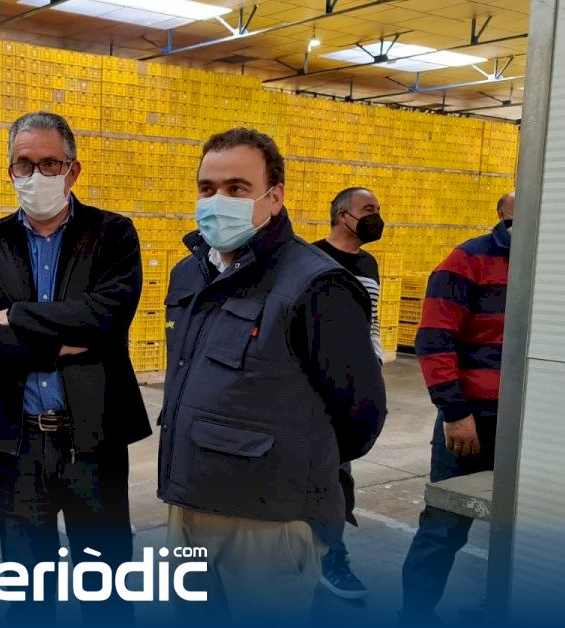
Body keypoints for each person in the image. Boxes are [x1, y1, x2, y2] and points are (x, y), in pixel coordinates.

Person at [157, 128, 387, 623]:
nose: (218, 201)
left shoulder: (317, 284)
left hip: (267, 520)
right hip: (187, 502)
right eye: (207, 188)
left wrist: (296, 466)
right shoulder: (189, 274)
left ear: (274, 197)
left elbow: (361, 412)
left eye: (237, 188)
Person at [0, 111, 150, 625]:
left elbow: (106, 319)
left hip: (94, 442)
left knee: (106, 591)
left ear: (73, 170)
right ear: (10, 170)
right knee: (26, 593)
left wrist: (15, 316)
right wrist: (56, 346)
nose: (36, 175)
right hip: (17, 444)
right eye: (25, 164)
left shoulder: (112, 234)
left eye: (50, 164)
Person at [399, 191, 515, 624]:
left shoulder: (554, 262)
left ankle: (498, 603)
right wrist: (454, 412)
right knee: (444, 526)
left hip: (531, 425)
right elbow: (434, 339)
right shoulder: (467, 260)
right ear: (506, 215)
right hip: (474, 418)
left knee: (517, 529)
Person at [311, 186, 386, 600]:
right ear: (344, 216)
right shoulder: (312, 258)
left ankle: (329, 553)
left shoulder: (369, 263)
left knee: (340, 473)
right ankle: (326, 556)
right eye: (368, 209)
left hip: (356, 384)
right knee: (323, 472)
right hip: (319, 386)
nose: (377, 216)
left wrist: (375, 363)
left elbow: (371, 322)